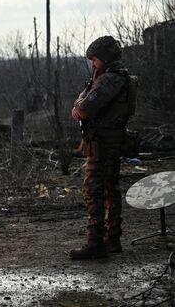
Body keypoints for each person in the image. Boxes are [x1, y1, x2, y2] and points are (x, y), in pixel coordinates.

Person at [69, 36, 131, 260]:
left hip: (103, 144)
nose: (93, 64)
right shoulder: (115, 77)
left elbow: (85, 109)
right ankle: (112, 239)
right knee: (109, 189)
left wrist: (78, 106)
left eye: (95, 60)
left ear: (104, 58)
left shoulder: (110, 80)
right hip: (110, 141)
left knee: (93, 189)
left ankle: (95, 242)